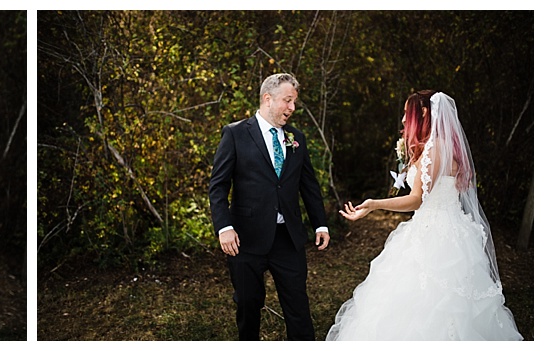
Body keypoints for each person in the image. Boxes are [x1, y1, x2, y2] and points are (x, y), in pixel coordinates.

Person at [328, 91, 522, 340]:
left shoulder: (433, 149)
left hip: (434, 235)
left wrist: (375, 204)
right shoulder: (446, 145)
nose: (402, 120)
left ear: (423, 114)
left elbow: (416, 200)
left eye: (406, 114)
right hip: (453, 230)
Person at [208, 73, 330, 341]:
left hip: (288, 238)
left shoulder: (296, 138)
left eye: (294, 102)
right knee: (248, 306)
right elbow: (218, 186)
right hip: (245, 239)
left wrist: (320, 223)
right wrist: (224, 227)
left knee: (298, 306)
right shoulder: (236, 133)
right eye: (288, 101)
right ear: (267, 99)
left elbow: (308, 185)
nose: (292, 108)